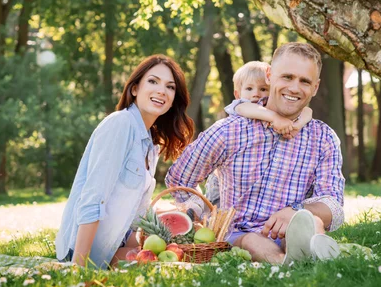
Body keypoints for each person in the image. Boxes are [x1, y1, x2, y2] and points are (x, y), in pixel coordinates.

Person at [166, 43, 344, 264]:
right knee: (252, 240)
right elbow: (179, 178)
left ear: (315, 87)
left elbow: (333, 205)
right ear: (269, 75)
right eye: (287, 77)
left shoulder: (323, 137)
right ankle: (285, 262)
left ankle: (309, 249)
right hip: (242, 234)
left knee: (313, 222)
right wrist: (199, 213)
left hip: (295, 227)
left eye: (304, 81)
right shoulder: (230, 130)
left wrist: (296, 211)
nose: (295, 88)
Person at [55, 55, 194, 268]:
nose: (161, 91)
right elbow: (93, 198)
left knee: (182, 260)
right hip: (85, 250)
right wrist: (78, 267)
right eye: (153, 81)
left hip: (113, 246)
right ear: (135, 88)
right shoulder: (120, 124)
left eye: (170, 87)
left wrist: (176, 219)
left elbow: (135, 216)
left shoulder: (150, 144)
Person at [204, 61, 313, 206]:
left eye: (263, 89)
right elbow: (249, 109)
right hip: (225, 179)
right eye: (249, 88)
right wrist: (275, 118)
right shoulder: (241, 106)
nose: (256, 94)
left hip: (256, 178)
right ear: (238, 94)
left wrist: (297, 125)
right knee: (215, 206)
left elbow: (307, 111)